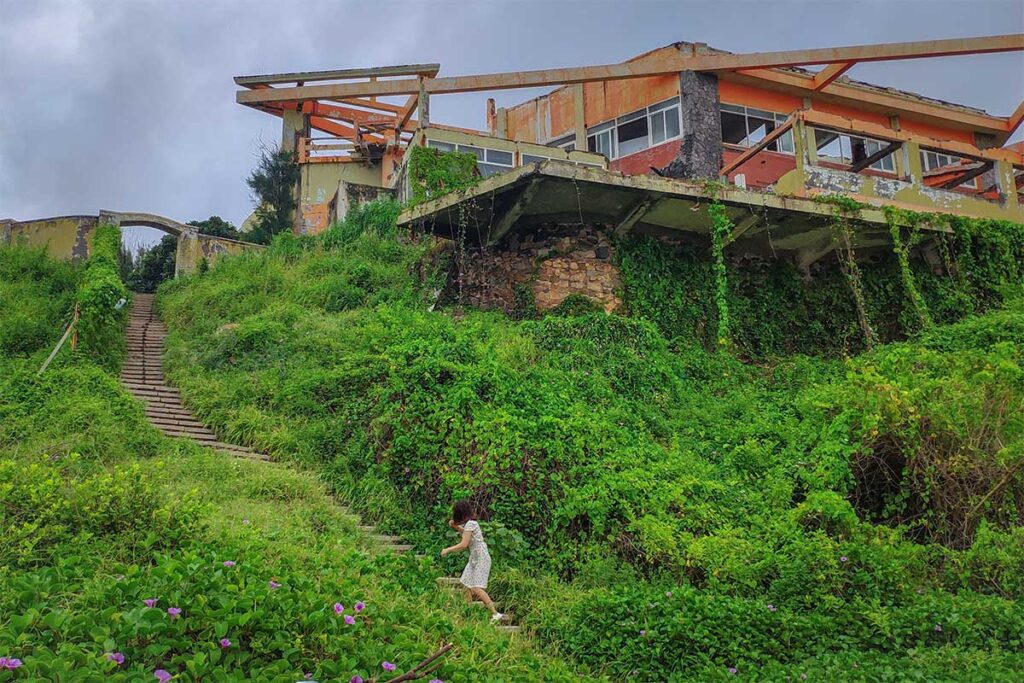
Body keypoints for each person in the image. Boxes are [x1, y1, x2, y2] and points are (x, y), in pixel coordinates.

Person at [440, 499, 504, 622]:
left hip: (481, 558)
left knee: (476, 587)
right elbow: (467, 534)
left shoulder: (471, 524)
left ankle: (495, 614)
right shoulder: (471, 524)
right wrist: (456, 527)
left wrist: (448, 549)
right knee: (465, 583)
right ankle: (465, 612)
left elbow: (464, 544)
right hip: (475, 559)